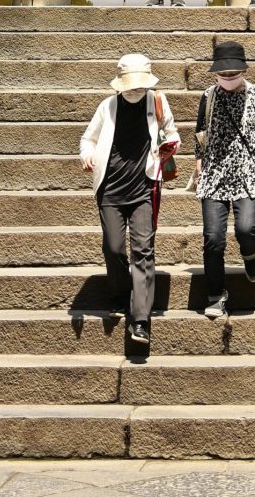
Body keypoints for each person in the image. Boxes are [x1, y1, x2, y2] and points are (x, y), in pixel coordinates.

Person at [79, 51, 179, 352]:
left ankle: (140, 320)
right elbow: (88, 139)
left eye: (140, 86)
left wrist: (168, 146)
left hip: (144, 187)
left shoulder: (157, 102)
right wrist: (87, 155)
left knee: (143, 249)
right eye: (131, 86)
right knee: (112, 247)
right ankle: (122, 293)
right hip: (110, 188)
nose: (136, 91)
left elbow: (173, 134)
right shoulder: (107, 107)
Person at [195, 38, 255, 321]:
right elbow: (200, 132)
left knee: (246, 228)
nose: (228, 78)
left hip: (248, 170)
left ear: (243, 71)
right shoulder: (208, 96)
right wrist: (198, 165)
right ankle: (216, 295)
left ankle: (251, 257)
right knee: (213, 239)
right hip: (214, 172)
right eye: (223, 74)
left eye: (233, 74)